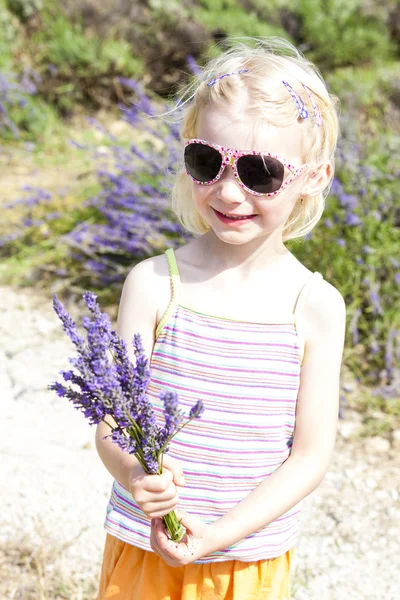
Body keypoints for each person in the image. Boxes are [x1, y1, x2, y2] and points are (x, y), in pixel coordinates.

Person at [95, 37, 346, 599]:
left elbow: (309, 456)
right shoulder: (155, 284)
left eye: (260, 172)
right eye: (207, 161)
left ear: (314, 177)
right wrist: (136, 476)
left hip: (247, 560)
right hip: (145, 549)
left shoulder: (314, 306)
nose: (230, 191)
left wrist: (217, 536)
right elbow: (112, 425)